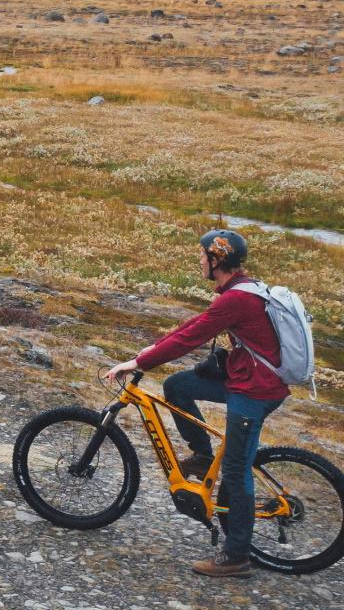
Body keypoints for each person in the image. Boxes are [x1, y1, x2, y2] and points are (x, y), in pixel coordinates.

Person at [99, 229, 289, 578]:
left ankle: (236, 558)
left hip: (256, 390)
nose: (200, 260)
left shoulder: (237, 299)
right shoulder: (240, 290)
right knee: (178, 386)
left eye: (203, 255)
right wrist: (150, 351)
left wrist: (138, 365)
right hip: (246, 379)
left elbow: (192, 338)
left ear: (217, 260)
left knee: (235, 470)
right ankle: (201, 455)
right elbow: (196, 325)